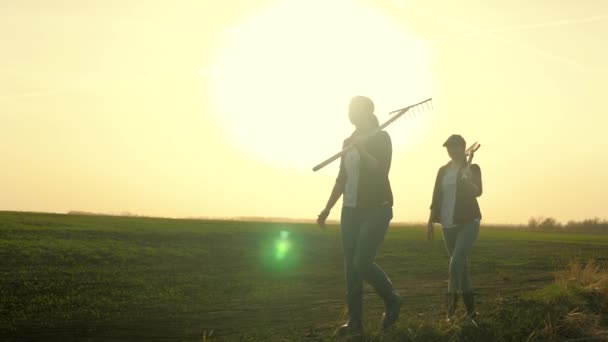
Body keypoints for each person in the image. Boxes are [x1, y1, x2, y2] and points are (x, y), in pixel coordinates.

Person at [317, 96, 401, 336]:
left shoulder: (382, 137)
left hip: (376, 207)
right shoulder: (348, 141)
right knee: (350, 269)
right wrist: (327, 208)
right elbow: (342, 177)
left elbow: (380, 169)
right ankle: (355, 323)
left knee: (361, 261)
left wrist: (362, 150)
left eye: (354, 109)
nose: (350, 113)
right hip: (350, 209)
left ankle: (392, 299)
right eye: (349, 109)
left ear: (367, 112)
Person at [426, 134, 482, 323]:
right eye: (448, 148)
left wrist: (467, 181)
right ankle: (472, 314)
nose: (451, 150)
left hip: (468, 221)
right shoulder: (443, 171)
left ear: (463, 147)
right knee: (461, 268)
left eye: (454, 147)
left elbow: (478, 192)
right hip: (447, 223)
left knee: (455, 263)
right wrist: (430, 220)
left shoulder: (472, 168)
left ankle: (449, 314)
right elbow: (436, 196)